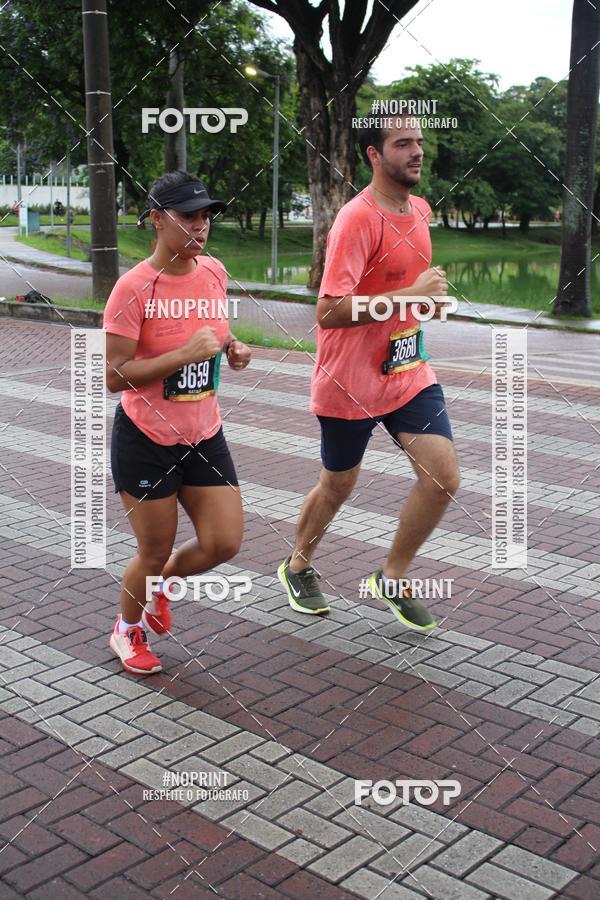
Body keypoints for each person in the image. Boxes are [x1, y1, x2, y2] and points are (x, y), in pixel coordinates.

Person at [278, 118, 460, 631]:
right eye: (403, 143)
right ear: (374, 155)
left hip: (407, 371)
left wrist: (430, 301)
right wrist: (409, 296)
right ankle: (298, 564)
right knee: (337, 485)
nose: (417, 151)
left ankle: (392, 575)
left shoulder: (420, 211)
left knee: (442, 476)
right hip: (349, 380)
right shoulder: (357, 220)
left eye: (420, 142)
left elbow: (409, 291)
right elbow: (329, 311)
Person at [103, 170, 251, 674]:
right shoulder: (133, 288)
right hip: (146, 438)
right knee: (152, 549)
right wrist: (183, 354)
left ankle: (160, 585)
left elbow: (217, 332)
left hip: (204, 432)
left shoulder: (212, 272)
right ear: (158, 220)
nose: (201, 226)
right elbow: (115, 375)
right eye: (189, 216)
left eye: (206, 216)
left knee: (224, 542)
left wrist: (232, 349)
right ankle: (127, 630)